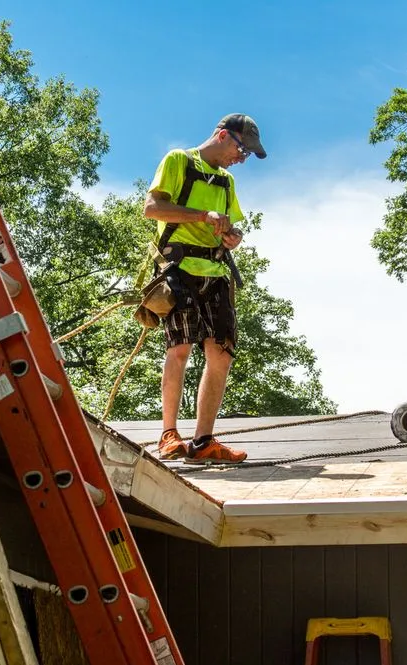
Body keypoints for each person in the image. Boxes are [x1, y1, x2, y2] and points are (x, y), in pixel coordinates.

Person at [143, 113, 267, 464]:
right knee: (179, 347)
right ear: (223, 135)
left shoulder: (226, 183)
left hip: (216, 271)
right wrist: (202, 216)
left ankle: (203, 441)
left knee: (221, 353)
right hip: (178, 268)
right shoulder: (179, 160)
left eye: (247, 154)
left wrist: (233, 238)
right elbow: (152, 209)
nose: (241, 158)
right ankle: (169, 435)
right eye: (242, 149)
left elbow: (232, 234)